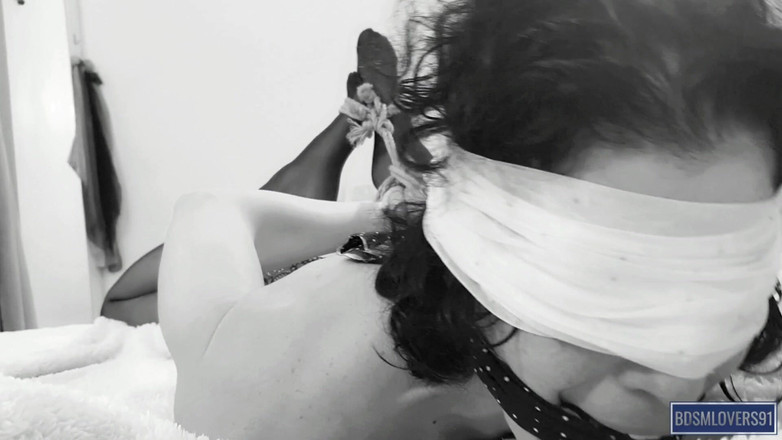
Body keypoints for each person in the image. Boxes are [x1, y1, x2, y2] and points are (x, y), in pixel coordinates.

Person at [158, 1, 782, 439]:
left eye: (722, 294)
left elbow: (694, 417)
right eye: (611, 291)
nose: (674, 386)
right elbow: (207, 209)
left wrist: (756, 413)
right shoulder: (271, 401)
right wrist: (374, 218)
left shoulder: (629, 375)